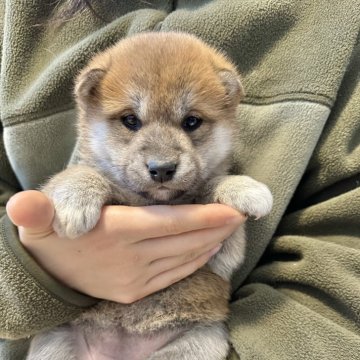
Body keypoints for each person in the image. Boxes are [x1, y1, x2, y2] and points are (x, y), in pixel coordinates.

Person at [0, 1, 359, 359]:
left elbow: (224, 260)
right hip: (80, 332)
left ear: (229, 104)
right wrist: (41, 269)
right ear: (89, 103)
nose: (161, 160)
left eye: (191, 123)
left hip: (185, 326)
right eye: (130, 121)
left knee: (207, 339)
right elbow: (61, 204)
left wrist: (225, 190)